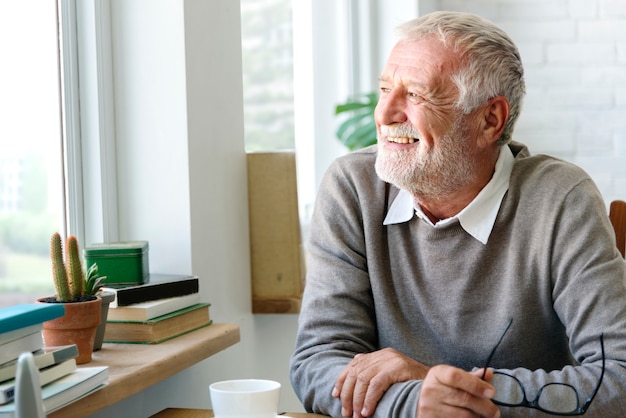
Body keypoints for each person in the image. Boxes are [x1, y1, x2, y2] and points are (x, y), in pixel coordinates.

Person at [289, 11, 626, 418]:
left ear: (490, 120)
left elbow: (618, 378)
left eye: (415, 94)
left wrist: (442, 384)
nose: (385, 113)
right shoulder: (353, 187)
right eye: (384, 89)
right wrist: (417, 402)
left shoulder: (560, 198)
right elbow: (317, 362)